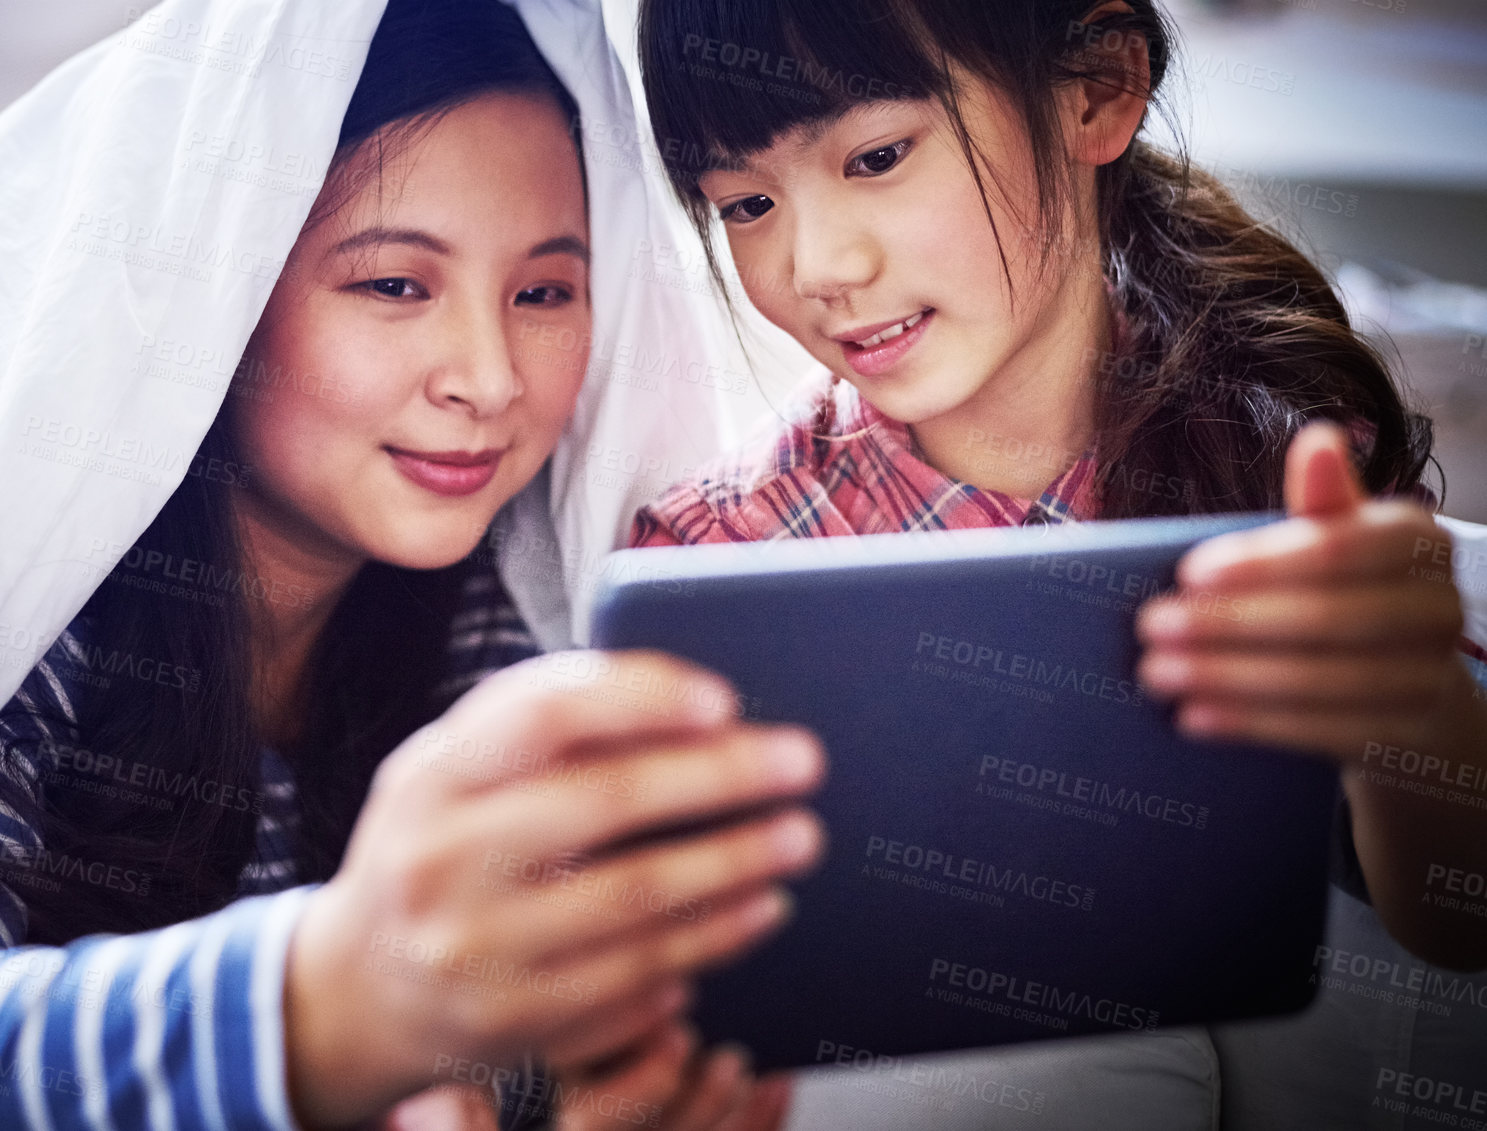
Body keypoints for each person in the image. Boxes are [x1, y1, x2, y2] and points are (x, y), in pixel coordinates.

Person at [0, 2, 820, 1128]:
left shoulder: (497, 644)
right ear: (220, 291)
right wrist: (319, 1005)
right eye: (395, 284)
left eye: (542, 292)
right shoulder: (21, 632)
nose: (488, 378)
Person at [632, 0, 1487, 967]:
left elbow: (1454, 918)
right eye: (746, 204)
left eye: (876, 157)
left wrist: (1412, 711)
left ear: (1096, 93)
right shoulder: (722, 560)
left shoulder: (1286, 451)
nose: (818, 267)